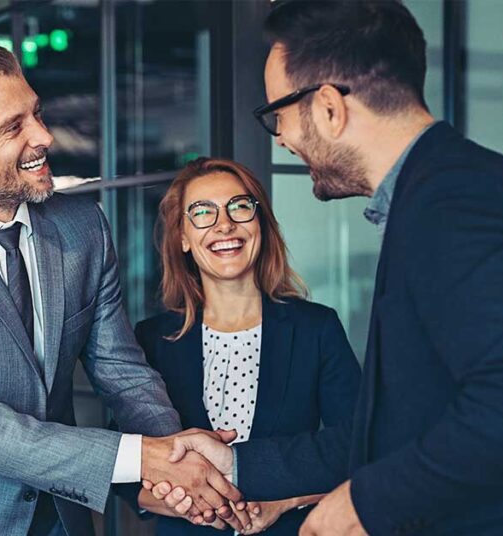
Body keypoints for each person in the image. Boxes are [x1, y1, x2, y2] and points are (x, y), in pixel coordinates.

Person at [163, 1, 503, 535]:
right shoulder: (443, 192)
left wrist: (366, 501)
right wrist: (236, 463)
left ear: (330, 108)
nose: (283, 139)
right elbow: (395, 424)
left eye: (279, 116)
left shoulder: (457, 204)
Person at [0, 39, 243, 536]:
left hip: (63, 512)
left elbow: (121, 370)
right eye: (13, 128)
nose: (44, 136)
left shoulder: (85, 227)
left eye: (35, 114)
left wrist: (178, 460)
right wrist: (148, 458)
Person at [130, 157, 360, 535]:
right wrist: (190, 503)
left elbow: (356, 445)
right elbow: (125, 471)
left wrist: (283, 501)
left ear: (261, 225)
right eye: (202, 212)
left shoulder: (317, 328)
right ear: (183, 238)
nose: (225, 224)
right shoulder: (153, 339)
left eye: (240, 207)